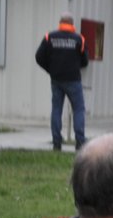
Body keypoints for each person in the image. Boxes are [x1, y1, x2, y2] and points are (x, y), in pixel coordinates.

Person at [34, 13, 87, 152]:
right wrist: (75, 66)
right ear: (72, 23)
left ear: (60, 22)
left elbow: (39, 57)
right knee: (79, 109)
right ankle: (80, 142)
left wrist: (50, 69)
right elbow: (85, 61)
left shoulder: (49, 37)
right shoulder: (79, 39)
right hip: (74, 80)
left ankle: (57, 143)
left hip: (56, 80)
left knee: (57, 109)